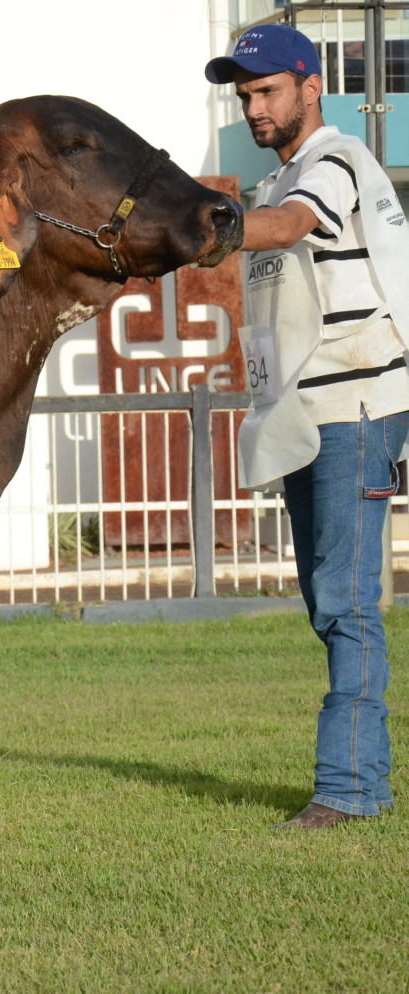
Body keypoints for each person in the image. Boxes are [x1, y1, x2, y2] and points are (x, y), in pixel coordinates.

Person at [206, 24, 409, 828]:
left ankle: (350, 791)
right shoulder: (277, 181)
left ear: (309, 84)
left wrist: (200, 224)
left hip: (355, 411)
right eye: (243, 94)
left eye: (266, 90)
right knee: (331, 599)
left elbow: (289, 228)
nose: (253, 107)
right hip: (308, 412)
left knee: (349, 602)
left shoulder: (332, 162)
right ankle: (359, 780)